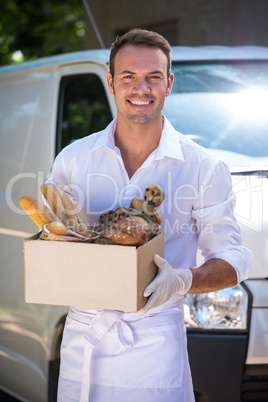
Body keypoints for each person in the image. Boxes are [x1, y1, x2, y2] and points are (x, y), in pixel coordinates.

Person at [52, 29, 253, 401]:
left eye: (153, 77)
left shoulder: (202, 167)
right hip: (84, 345)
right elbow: (56, 239)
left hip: (154, 344)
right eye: (128, 76)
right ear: (111, 83)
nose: (140, 88)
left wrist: (181, 280)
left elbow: (234, 258)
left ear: (169, 83)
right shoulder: (73, 159)